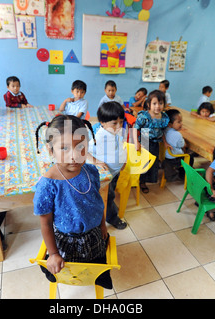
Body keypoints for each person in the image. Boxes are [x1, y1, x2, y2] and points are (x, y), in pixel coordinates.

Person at [33, 115, 113, 289]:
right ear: (50, 150)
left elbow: (97, 203)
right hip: (66, 240)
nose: (74, 155)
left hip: (93, 234)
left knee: (100, 268)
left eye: (81, 147)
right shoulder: (48, 185)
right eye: (64, 148)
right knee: (61, 269)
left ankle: (99, 276)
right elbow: (45, 223)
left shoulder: (91, 172)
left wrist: (102, 226)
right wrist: (53, 253)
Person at [89, 101, 127, 230]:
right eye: (114, 123)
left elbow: (120, 147)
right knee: (109, 196)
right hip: (106, 175)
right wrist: (95, 161)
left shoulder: (116, 131)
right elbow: (83, 150)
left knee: (111, 193)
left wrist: (123, 160)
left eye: (121, 122)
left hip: (115, 172)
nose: (119, 126)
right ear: (103, 123)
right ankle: (112, 217)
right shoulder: (100, 136)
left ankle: (108, 209)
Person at [132, 90, 170, 194]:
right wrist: (136, 142)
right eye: (154, 103)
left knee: (152, 163)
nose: (157, 106)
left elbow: (162, 131)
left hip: (155, 142)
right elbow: (135, 128)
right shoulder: (144, 116)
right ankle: (140, 181)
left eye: (160, 103)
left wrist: (165, 142)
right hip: (144, 141)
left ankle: (147, 180)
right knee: (143, 162)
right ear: (148, 104)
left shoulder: (163, 117)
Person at [163, 109, 191, 182]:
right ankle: (183, 175)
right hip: (174, 159)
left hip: (166, 157)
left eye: (181, 121)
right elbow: (183, 145)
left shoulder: (164, 130)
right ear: (170, 124)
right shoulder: (177, 134)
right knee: (190, 158)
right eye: (179, 122)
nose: (181, 124)